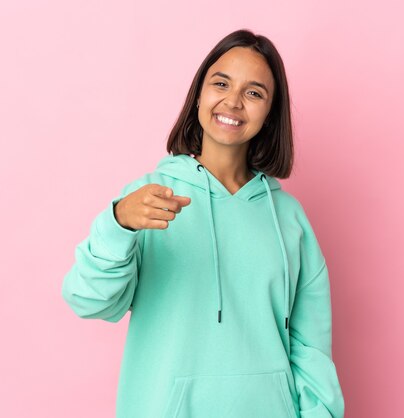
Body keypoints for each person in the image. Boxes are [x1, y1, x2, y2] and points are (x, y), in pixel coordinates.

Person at [62, 28, 345, 418]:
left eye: (254, 92)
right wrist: (118, 223)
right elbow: (89, 300)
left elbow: (310, 344)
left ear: (270, 114)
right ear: (199, 93)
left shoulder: (289, 218)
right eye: (221, 83)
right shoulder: (148, 197)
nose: (233, 101)